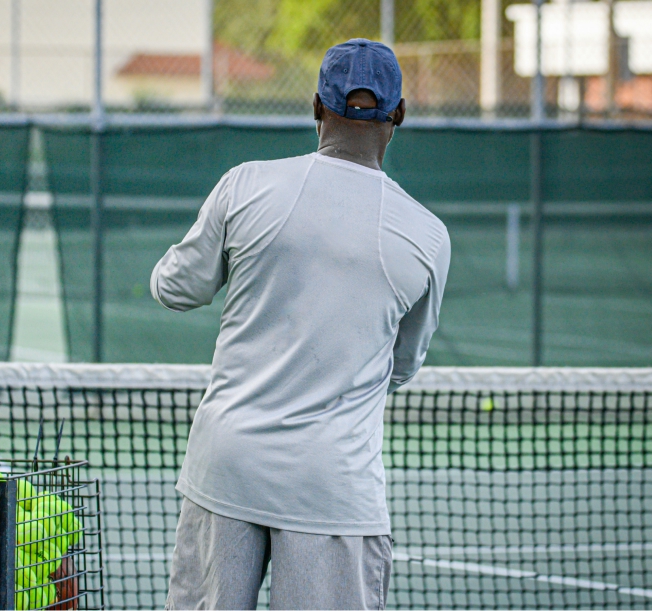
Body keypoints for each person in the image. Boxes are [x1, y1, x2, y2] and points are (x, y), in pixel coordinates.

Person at [152, 39, 451, 609]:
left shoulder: (243, 185)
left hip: (225, 469)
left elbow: (174, 288)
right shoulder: (428, 237)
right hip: (334, 489)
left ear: (316, 106)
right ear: (400, 115)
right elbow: (402, 366)